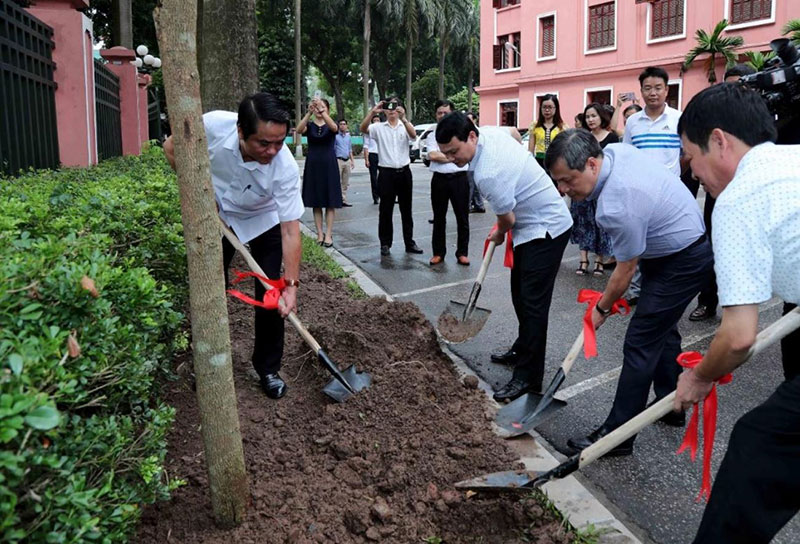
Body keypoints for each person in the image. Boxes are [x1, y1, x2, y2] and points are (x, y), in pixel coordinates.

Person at [674, 83, 800, 544]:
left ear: (720, 141)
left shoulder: (739, 198)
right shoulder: (794, 159)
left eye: (691, 155)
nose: (692, 170)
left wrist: (700, 376)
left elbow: (739, 336)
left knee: (759, 447)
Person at [545, 129, 712, 456]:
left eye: (568, 180)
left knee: (640, 340)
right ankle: (671, 406)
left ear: (592, 164)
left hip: (683, 258)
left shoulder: (616, 204)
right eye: (558, 181)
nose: (563, 190)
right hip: (669, 248)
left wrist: (601, 309)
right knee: (661, 330)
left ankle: (618, 435)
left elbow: (624, 271)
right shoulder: (615, 154)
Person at [163, 92, 302, 399]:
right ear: (241, 131)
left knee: (271, 293)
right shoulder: (211, 126)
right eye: (263, 143)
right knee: (210, 289)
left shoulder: (285, 167)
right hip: (217, 215)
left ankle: (268, 368)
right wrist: (199, 196)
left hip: (262, 218)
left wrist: (290, 287)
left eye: (280, 142)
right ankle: (211, 364)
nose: (272, 151)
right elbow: (171, 148)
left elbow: (291, 231)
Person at [436, 112, 573, 402]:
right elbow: (513, 131)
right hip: (529, 227)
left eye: (454, 151)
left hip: (547, 228)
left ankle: (528, 377)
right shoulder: (489, 133)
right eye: (446, 153)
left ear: (471, 137)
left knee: (532, 303)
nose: (451, 158)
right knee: (520, 295)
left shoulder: (488, 173)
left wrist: (499, 232)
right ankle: (523, 349)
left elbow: (507, 219)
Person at [689, 64, 757, 323]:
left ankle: (738, 312)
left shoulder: (761, 118)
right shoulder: (712, 118)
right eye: (729, 85)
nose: (734, 91)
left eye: (740, 85)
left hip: (749, 196)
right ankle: (707, 302)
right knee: (713, 249)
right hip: (718, 196)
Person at [622, 66, 685, 306]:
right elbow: (627, 155)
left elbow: (686, 155)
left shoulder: (678, 119)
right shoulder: (633, 122)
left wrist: (671, 177)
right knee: (640, 240)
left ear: (666, 90)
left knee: (668, 240)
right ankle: (637, 289)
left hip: (670, 194)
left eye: (658, 88)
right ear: (641, 91)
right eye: (647, 88)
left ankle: (665, 287)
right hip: (640, 193)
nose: (653, 93)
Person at [359, 97, 423, 257]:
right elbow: (363, 128)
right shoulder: (378, 127)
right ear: (385, 109)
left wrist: (404, 118)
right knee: (385, 210)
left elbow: (413, 135)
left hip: (404, 172)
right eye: (389, 106)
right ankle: (385, 243)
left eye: (396, 106)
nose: (392, 109)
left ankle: (409, 242)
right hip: (386, 173)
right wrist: (373, 112)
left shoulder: (405, 125)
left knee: (406, 209)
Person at [570, 104, 617, 277]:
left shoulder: (611, 138)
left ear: (601, 117)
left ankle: (599, 260)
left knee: (600, 224)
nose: (590, 120)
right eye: (588, 117)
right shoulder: (581, 137)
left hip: (603, 187)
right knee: (583, 223)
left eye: (593, 116)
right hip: (582, 188)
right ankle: (583, 260)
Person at [427, 100, 470, 266]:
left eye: (446, 113)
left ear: (452, 113)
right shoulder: (433, 134)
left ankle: (462, 253)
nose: (442, 116)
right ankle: (438, 253)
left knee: (462, 218)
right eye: (439, 113)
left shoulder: (462, 133)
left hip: (459, 179)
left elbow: (462, 153)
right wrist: (454, 156)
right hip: (439, 180)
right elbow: (432, 155)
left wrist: (443, 156)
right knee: (439, 218)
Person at [297, 97, 341, 247]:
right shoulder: (309, 125)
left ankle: (328, 234)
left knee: (330, 202)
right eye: (317, 107)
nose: (319, 109)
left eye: (323, 107)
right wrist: (309, 113)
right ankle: (320, 234)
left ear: (328, 109)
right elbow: (298, 130)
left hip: (329, 164)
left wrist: (324, 113)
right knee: (316, 202)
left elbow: (334, 128)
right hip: (313, 164)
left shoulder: (330, 124)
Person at [528, 94, 566, 169]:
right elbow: (530, 150)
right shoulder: (534, 126)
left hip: (556, 163)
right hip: (539, 163)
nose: (547, 110)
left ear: (556, 108)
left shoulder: (562, 127)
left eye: (550, 107)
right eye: (544, 107)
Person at [465, 111, 485, 213]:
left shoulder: (478, 132)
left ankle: (469, 206)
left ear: (475, 120)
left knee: (471, 186)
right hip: (471, 163)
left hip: (476, 163)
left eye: (470, 119)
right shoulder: (467, 131)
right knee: (474, 185)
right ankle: (479, 205)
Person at [335, 119, 355, 207]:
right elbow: (332, 149)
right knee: (336, 181)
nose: (342, 126)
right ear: (338, 126)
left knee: (345, 182)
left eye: (344, 124)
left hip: (347, 160)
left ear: (347, 126)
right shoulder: (335, 137)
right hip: (338, 160)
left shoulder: (348, 136)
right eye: (341, 124)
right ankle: (336, 200)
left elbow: (350, 149)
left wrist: (352, 160)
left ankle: (343, 199)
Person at [363, 113, 381, 204]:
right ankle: (375, 197)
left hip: (382, 154)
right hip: (372, 154)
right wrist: (366, 159)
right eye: (375, 120)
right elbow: (366, 146)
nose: (376, 122)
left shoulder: (383, 130)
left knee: (385, 176)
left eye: (378, 120)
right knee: (373, 177)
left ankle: (386, 194)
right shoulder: (368, 131)